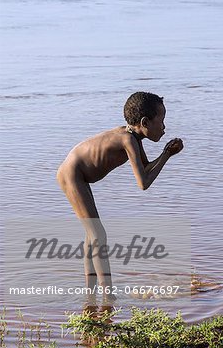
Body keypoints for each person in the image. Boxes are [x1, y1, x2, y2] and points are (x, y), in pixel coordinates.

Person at [56, 91, 183, 311]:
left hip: (78, 174)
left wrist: (165, 155)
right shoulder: (128, 139)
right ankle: (109, 298)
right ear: (144, 122)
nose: (164, 127)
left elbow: (145, 169)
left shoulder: (133, 137)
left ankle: (91, 298)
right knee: (98, 234)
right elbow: (143, 183)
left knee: (92, 236)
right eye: (161, 121)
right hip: (72, 174)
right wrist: (166, 155)